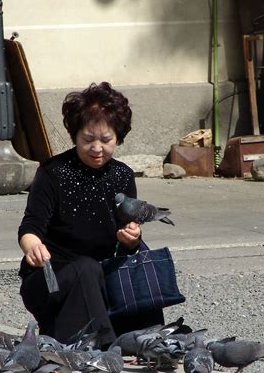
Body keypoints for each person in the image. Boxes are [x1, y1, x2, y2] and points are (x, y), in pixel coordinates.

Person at [17, 82, 164, 349]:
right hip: (51, 279)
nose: (97, 148)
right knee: (86, 267)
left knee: (133, 255)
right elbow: (30, 226)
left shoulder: (122, 175)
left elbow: (125, 237)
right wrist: (33, 246)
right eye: (88, 139)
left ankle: (149, 338)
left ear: (118, 137)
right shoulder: (52, 172)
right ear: (75, 136)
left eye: (106, 140)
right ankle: (102, 348)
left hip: (103, 279)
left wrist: (131, 238)